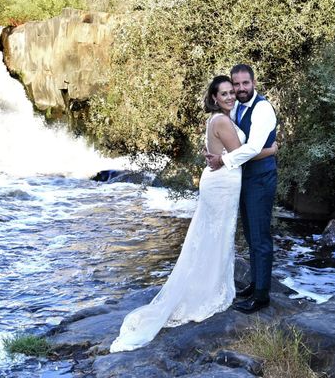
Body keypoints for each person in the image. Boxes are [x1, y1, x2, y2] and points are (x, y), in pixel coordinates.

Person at [110, 75, 276, 353]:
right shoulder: (222, 120)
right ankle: (209, 291)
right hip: (222, 182)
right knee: (215, 234)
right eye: (224, 93)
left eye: (231, 91)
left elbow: (229, 150)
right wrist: (270, 149)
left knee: (214, 234)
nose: (230, 96)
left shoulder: (227, 117)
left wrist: (221, 155)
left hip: (224, 180)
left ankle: (214, 285)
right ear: (214, 98)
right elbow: (242, 152)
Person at [205, 64, 278, 314]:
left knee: (260, 237)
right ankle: (255, 284)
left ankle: (262, 296)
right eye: (236, 85)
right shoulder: (236, 107)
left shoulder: (263, 108)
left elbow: (253, 147)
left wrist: (223, 160)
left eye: (245, 84)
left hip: (260, 179)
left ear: (254, 83)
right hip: (243, 180)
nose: (240, 89)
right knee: (250, 235)